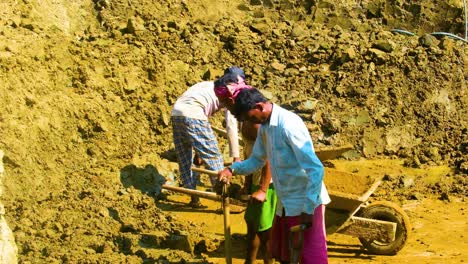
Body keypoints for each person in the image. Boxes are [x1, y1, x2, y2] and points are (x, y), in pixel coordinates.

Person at [218, 88, 330, 264]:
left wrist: (308, 210)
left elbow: (315, 169)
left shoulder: (289, 125)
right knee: (285, 254)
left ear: (259, 107)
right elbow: (256, 160)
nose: (249, 122)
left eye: (249, 117)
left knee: (311, 257)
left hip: (306, 201)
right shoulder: (265, 127)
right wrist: (232, 169)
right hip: (286, 201)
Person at [214, 72, 277, 264]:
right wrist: (247, 183)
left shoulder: (257, 123)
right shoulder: (246, 120)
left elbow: (268, 158)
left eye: (226, 102)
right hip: (256, 181)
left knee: (265, 232)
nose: (225, 107)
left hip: (268, 184)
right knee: (252, 228)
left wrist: (262, 189)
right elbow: (250, 153)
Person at [170, 68, 241, 208]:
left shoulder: (204, 85)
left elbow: (195, 113)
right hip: (194, 115)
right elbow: (231, 125)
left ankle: (194, 199)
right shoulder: (229, 92)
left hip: (176, 114)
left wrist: (198, 151)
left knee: (185, 159)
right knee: (213, 157)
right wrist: (236, 156)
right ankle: (224, 201)